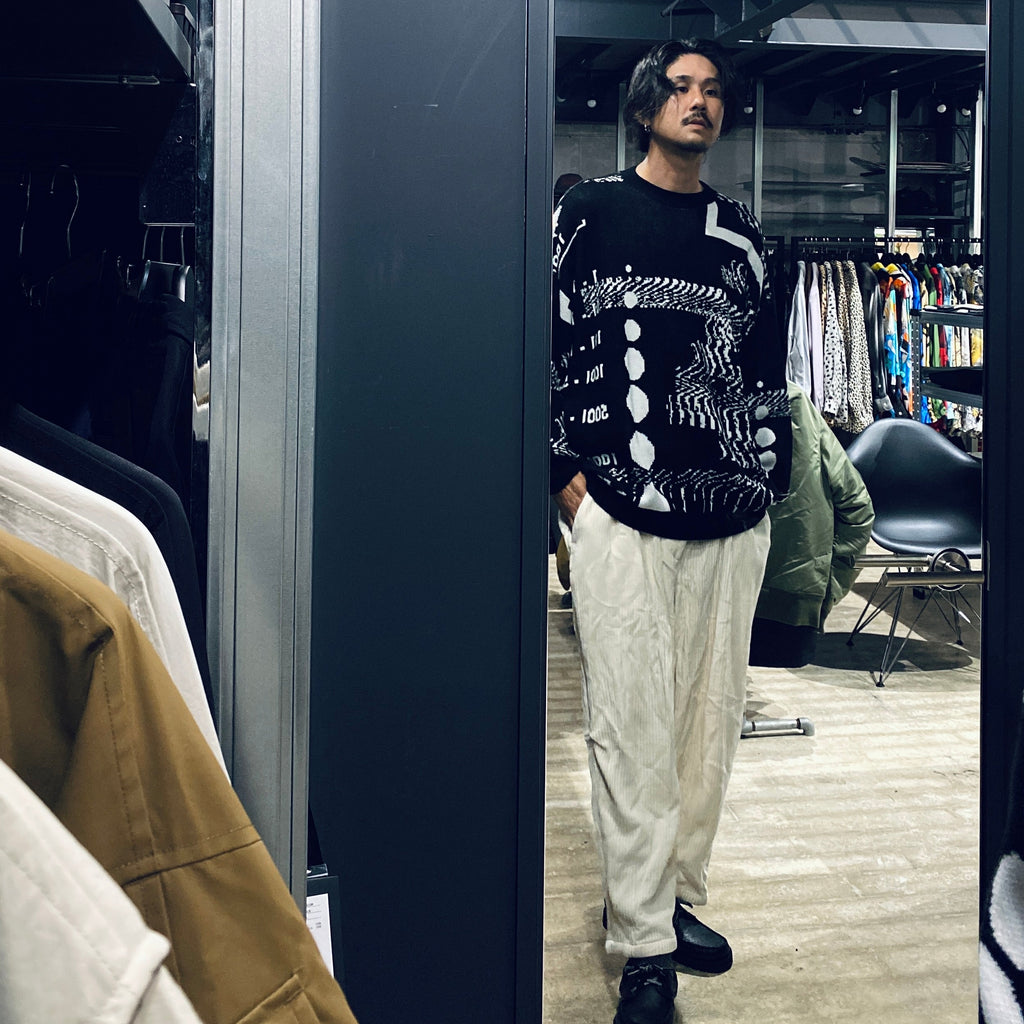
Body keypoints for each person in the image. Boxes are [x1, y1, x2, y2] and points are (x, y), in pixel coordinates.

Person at [550, 38, 792, 1024]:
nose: (699, 102)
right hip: (619, 508)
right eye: (681, 87)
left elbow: (768, 371)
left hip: (731, 515)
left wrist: (769, 478)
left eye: (713, 91)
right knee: (630, 725)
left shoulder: (742, 235)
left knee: (706, 726)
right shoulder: (589, 212)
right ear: (646, 104)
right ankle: (643, 948)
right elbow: (544, 337)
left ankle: (672, 896)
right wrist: (560, 473)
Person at [749, 382, 874, 668]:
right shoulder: (790, 398)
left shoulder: (680, 397)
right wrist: (825, 587)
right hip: (792, 599)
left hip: (701, 602)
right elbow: (857, 506)